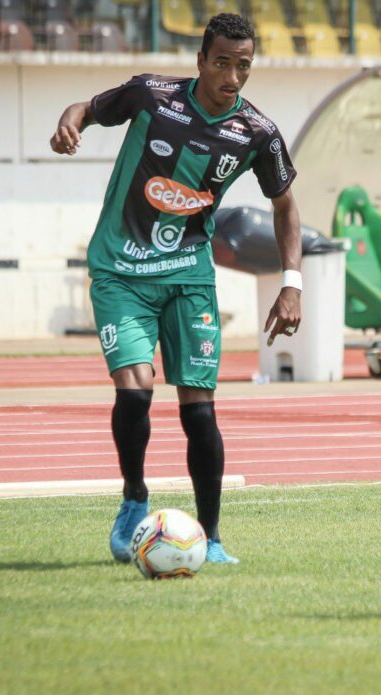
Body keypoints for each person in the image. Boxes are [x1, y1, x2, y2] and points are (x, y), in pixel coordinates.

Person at [49, 13, 303, 565]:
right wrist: (68, 125)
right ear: (200, 61)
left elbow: (285, 206)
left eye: (243, 65)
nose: (232, 76)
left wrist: (292, 282)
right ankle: (134, 498)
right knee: (136, 389)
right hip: (121, 268)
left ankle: (210, 538)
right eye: (222, 63)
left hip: (189, 275)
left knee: (199, 410)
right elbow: (86, 109)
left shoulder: (258, 133)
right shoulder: (150, 95)